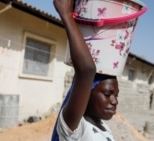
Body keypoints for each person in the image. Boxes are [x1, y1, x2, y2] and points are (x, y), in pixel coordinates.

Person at [51, 0, 120, 140]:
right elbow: (86, 71)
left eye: (116, 95)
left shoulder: (103, 127)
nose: (115, 101)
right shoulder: (74, 128)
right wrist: (66, 14)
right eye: (107, 94)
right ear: (86, 93)